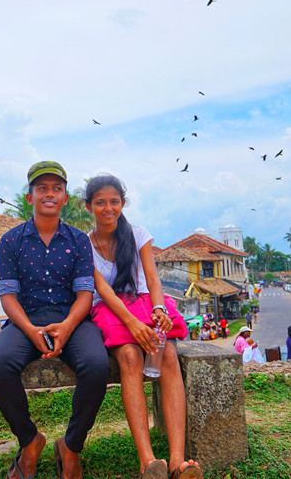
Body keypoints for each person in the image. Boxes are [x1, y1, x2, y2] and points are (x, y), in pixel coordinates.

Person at [0, 161, 109, 479]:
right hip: (25, 321)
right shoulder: (11, 240)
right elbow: (8, 296)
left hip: (73, 319)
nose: (49, 194)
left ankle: (71, 446)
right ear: (30, 197)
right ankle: (30, 442)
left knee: (97, 366)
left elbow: (85, 293)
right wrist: (30, 329)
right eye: (42, 188)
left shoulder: (79, 240)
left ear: (65, 198)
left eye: (57, 189)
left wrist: (67, 327)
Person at [83, 174, 202, 479]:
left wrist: (160, 309)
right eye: (100, 203)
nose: (108, 208)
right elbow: (103, 291)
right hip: (111, 309)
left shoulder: (137, 234)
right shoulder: (84, 243)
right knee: (130, 357)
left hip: (146, 301)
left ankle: (177, 461)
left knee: (169, 357)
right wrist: (132, 323)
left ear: (123, 203)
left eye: (114, 202)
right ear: (88, 207)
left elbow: (152, 278)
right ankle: (147, 461)